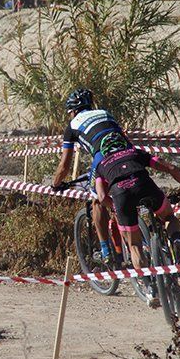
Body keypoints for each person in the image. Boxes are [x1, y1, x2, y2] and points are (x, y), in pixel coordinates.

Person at [92, 131, 180, 305]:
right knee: (169, 216)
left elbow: (101, 198)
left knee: (134, 245)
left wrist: (116, 208)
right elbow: (170, 168)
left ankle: (150, 289)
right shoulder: (135, 153)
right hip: (145, 186)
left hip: (121, 195)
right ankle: (177, 244)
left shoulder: (101, 166)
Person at [51, 89, 126, 264]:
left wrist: (56, 184)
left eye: (69, 112)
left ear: (74, 110)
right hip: (128, 154)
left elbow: (64, 166)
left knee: (97, 201)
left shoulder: (73, 126)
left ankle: (106, 250)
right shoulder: (105, 113)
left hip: (103, 159)